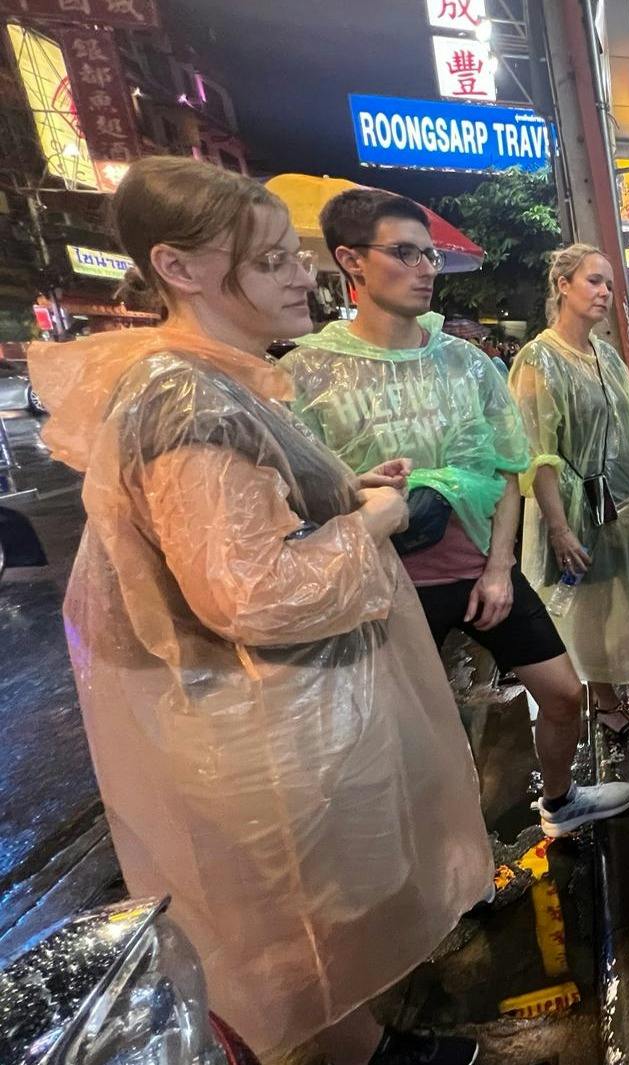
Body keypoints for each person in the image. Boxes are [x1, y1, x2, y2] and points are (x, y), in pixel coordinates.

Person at [29, 157, 490, 1065]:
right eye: (271, 260)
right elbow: (252, 591)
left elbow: (237, 520)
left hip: (280, 720)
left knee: (323, 924)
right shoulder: (184, 395)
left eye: (292, 256)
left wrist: (342, 492)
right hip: (262, 736)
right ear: (179, 267)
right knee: (301, 938)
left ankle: (364, 1041)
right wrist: (380, 519)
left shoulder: (213, 379)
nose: (300, 276)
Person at [280, 187, 629, 840]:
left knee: (563, 693)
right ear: (351, 261)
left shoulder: (466, 363)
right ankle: (441, 858)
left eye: (430, 255)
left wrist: (498, 568)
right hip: (383, 585)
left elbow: (508, 467)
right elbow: (294, 499)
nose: (425, 270)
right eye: (405, 253)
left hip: (478, 568)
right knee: (411, 738)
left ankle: (560, 802)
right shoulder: (308, 373)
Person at [510, 245, 629, 725]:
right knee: (593, 605)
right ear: (563, 285)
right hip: (577, 511)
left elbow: (628, 433)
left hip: (625, 504)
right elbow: (537, 455)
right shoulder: (538, 360)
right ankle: (605, 700)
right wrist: (559, 529)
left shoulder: (607, 355)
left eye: (610, 285)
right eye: (594, 281)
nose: (604, 293)